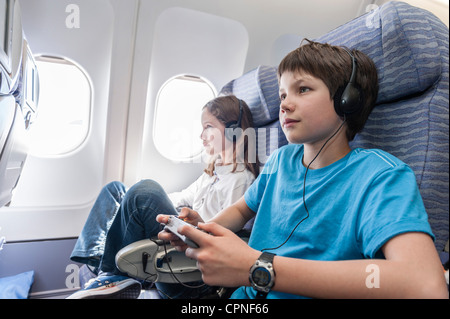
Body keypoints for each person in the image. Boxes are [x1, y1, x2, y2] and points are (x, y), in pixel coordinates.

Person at [157, 40, 448, 299]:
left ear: (347, 101)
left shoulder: (381, 176)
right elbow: (242, 210)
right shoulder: (280, 161)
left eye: (303, 89)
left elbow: (423, 284)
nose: (284, 105)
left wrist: (257, 267)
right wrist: (204, 230)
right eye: (283, 95)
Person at [68, 95, 260, 299]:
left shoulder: (241, 180)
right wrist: (140, 202)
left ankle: (110, 277)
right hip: (181, 242)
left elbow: (222, 238)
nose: (201, 135)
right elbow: (182, 197)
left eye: (208, 127)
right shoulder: (213, 173)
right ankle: (99, 268)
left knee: (146, 190)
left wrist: (147, 199)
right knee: (116, 190)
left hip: (191, 267)